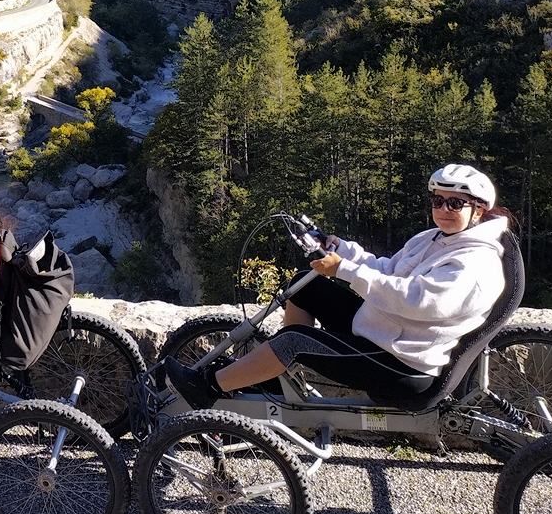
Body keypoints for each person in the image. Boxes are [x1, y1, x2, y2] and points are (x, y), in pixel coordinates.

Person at [164, 163, 510, 407]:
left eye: (456, 203)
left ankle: (206, 388)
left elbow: (416, 301)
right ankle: (275, 375)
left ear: (479, 210)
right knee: (305, 286)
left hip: (402, 364)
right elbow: (388, 269)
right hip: (383, 331)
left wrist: (344, 270)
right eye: (438, 201)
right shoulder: (434, 238)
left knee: (293, 341)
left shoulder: (475, 263)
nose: (444, 209)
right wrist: (341, 250)